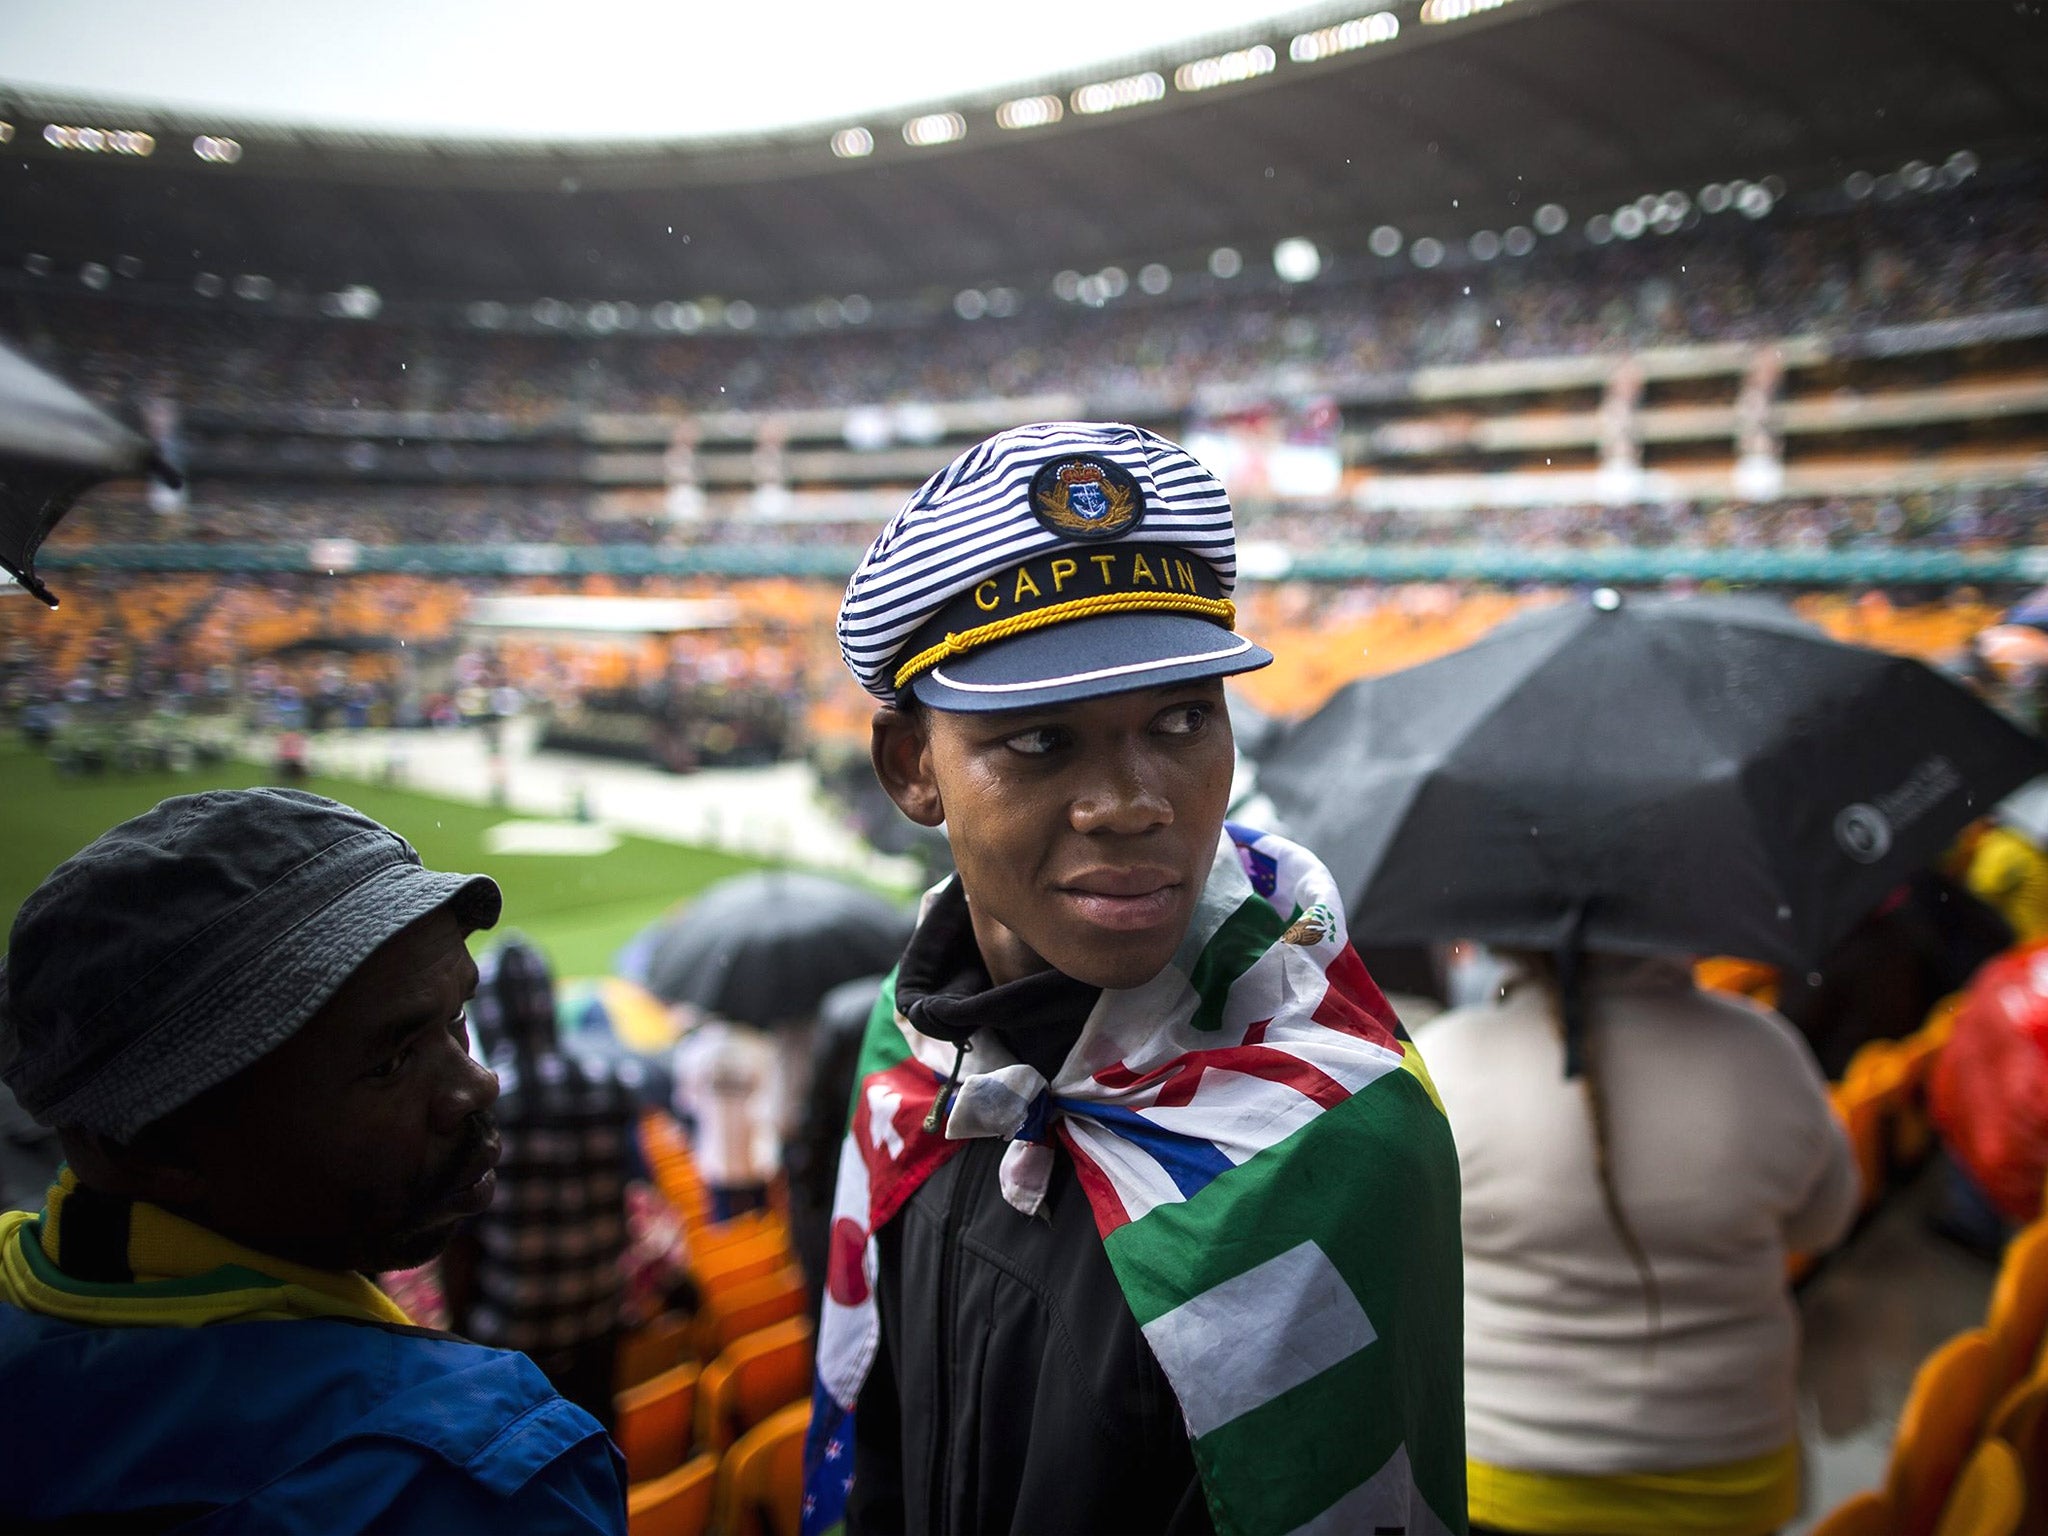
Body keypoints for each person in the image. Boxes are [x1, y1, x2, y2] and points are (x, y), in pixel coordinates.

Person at [804, 422, 1466, 1536]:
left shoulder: (1340, 1145)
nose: (1133, 802)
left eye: (1178, 720)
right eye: (1039, 742)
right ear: (911, 769)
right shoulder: (905, 1050)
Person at [0, 788, 627, 1533]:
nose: (478, 1083)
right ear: (148, 1144)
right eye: (390, 1062)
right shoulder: (479, 1482)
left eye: (456, 1019)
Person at [1417, 949, 1859, 1536]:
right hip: (1734, 1480)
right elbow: (1822, 1225)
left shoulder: (1447, 1058)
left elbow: (1407, 1266)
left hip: (1500, 1482)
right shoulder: (1768, 1051)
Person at [442, 936, 641, 1431]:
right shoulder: (610, 1083)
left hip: (511, 1345)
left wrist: (460, 1334)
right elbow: (628, 1200)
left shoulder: (483, 1103)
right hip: (598, 1324)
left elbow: (460, 1246)